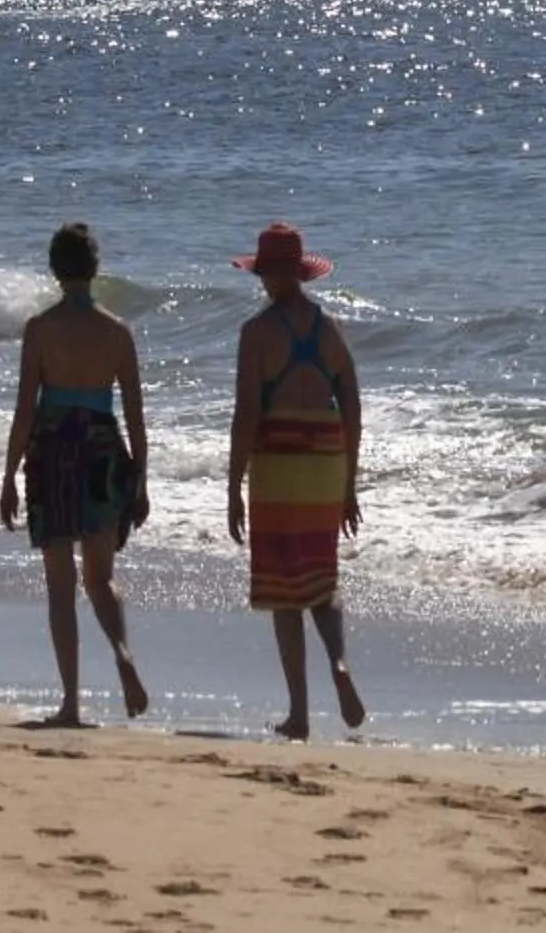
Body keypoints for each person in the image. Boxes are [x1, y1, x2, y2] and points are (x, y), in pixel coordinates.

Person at [0, 220, 152, 726]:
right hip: (101, 449)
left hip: (52, 450)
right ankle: (122, 653)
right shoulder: (117, 332)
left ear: (54, 269)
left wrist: (8, 476)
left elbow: (25, 409)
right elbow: (135, 416)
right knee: (101, 579)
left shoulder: (40, 329)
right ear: (95, 268)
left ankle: (70, 703)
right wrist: (141, 480)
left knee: (60, 587)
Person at [225, 220, 366, 738]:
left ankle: (300, 713)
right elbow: (352, 406)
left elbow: (246, 414)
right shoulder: (330, 329)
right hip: (325, 459)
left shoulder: (256, 333)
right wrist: (348, 482)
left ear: (268, 274)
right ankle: (340, 663)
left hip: (278, 461)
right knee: (321, 580)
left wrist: (234, 486)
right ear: (301, 273)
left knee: (284, 593)